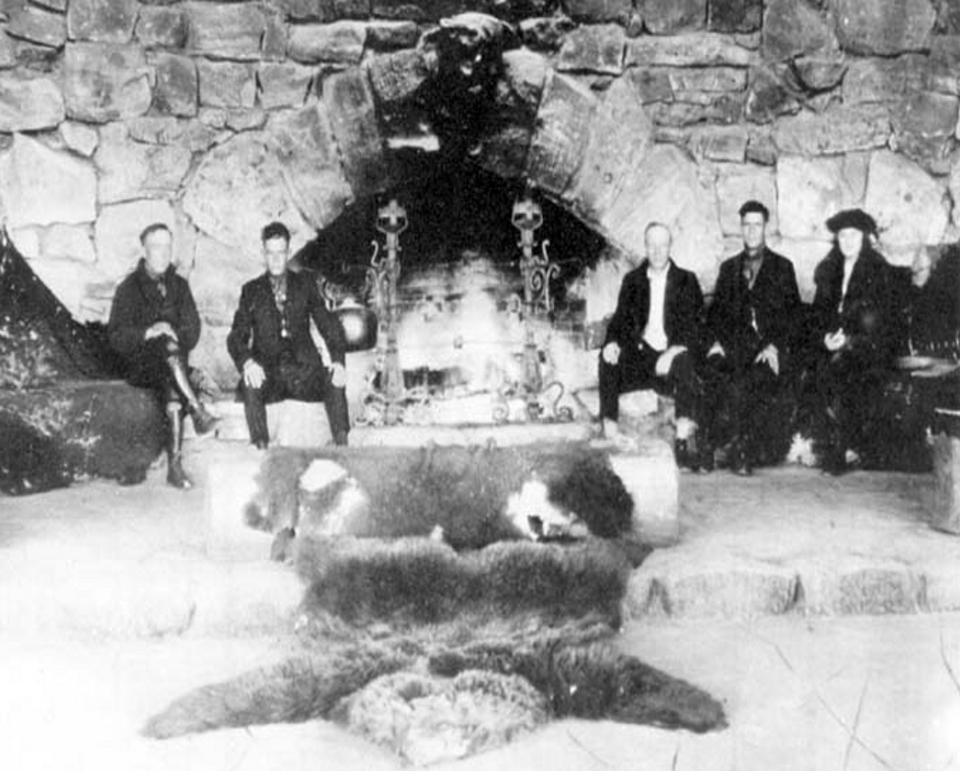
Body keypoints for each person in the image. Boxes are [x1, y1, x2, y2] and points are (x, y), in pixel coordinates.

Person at [107, 222, 218, 489]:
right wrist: (149, 332)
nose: (163, 253)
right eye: (156, 247)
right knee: (165, 347)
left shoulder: (180, 286)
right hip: (140, 366)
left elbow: (193, 328)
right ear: (145, 251)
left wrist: (173, 333)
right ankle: (194, 414)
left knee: (171, 376)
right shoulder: (128, 288)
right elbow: (116, 337)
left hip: (171, 367)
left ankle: (176, 467)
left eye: (168, 246)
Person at [227, 221, 349, 449]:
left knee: (334, 378)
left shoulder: (306, 284)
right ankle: (260, 448)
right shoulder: (251, 290)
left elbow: (329, 325)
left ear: (288, 252)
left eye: (280, 253)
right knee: (249, 384)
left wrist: (339, 362)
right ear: (263, 253)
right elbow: (236, 336)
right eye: (270, 253)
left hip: (303, 373)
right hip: (270, 375)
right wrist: (247, 363)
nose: (275, 259)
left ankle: (343, 446)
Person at [703, 200, 802, 475]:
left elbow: (794, 318)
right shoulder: (728, 269)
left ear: (765, 227)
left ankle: (743, 451)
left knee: (751, 381)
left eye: (757, 225)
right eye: (746, 225)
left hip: (765, 351)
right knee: (712, 370)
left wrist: (775, 347)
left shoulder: (783, 267)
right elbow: (716, 316)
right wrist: (716, 343)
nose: (751, 231)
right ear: (741, 228)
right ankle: (707, 448)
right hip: (735, 348)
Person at [599, 222, 706, 466]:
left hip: (671, 358)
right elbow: (619, 320)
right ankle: (610, 429)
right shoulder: (633, 280)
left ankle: (681, 439)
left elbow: (696, 327)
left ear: (670, 247)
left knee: (686, 362)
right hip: (642, 357)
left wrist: (672, 352)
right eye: (652, 245)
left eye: (663, 245)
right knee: (607, 358)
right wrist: (612, 343)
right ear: (645, 247)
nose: (657, 251)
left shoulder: (686, 280)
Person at [810, 208, 898, 474]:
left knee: (840, 367)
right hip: (834, 343)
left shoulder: (878, 270)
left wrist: (849, 341)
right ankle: (825, 444)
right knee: (817, 362)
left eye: (853, 235)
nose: (847, 241)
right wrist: (825, 338)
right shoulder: (829, 270)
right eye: (842, 236)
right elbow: (818, 315)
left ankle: (838, 452)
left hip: (869, 347)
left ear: (864, 238)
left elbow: (882, 324)